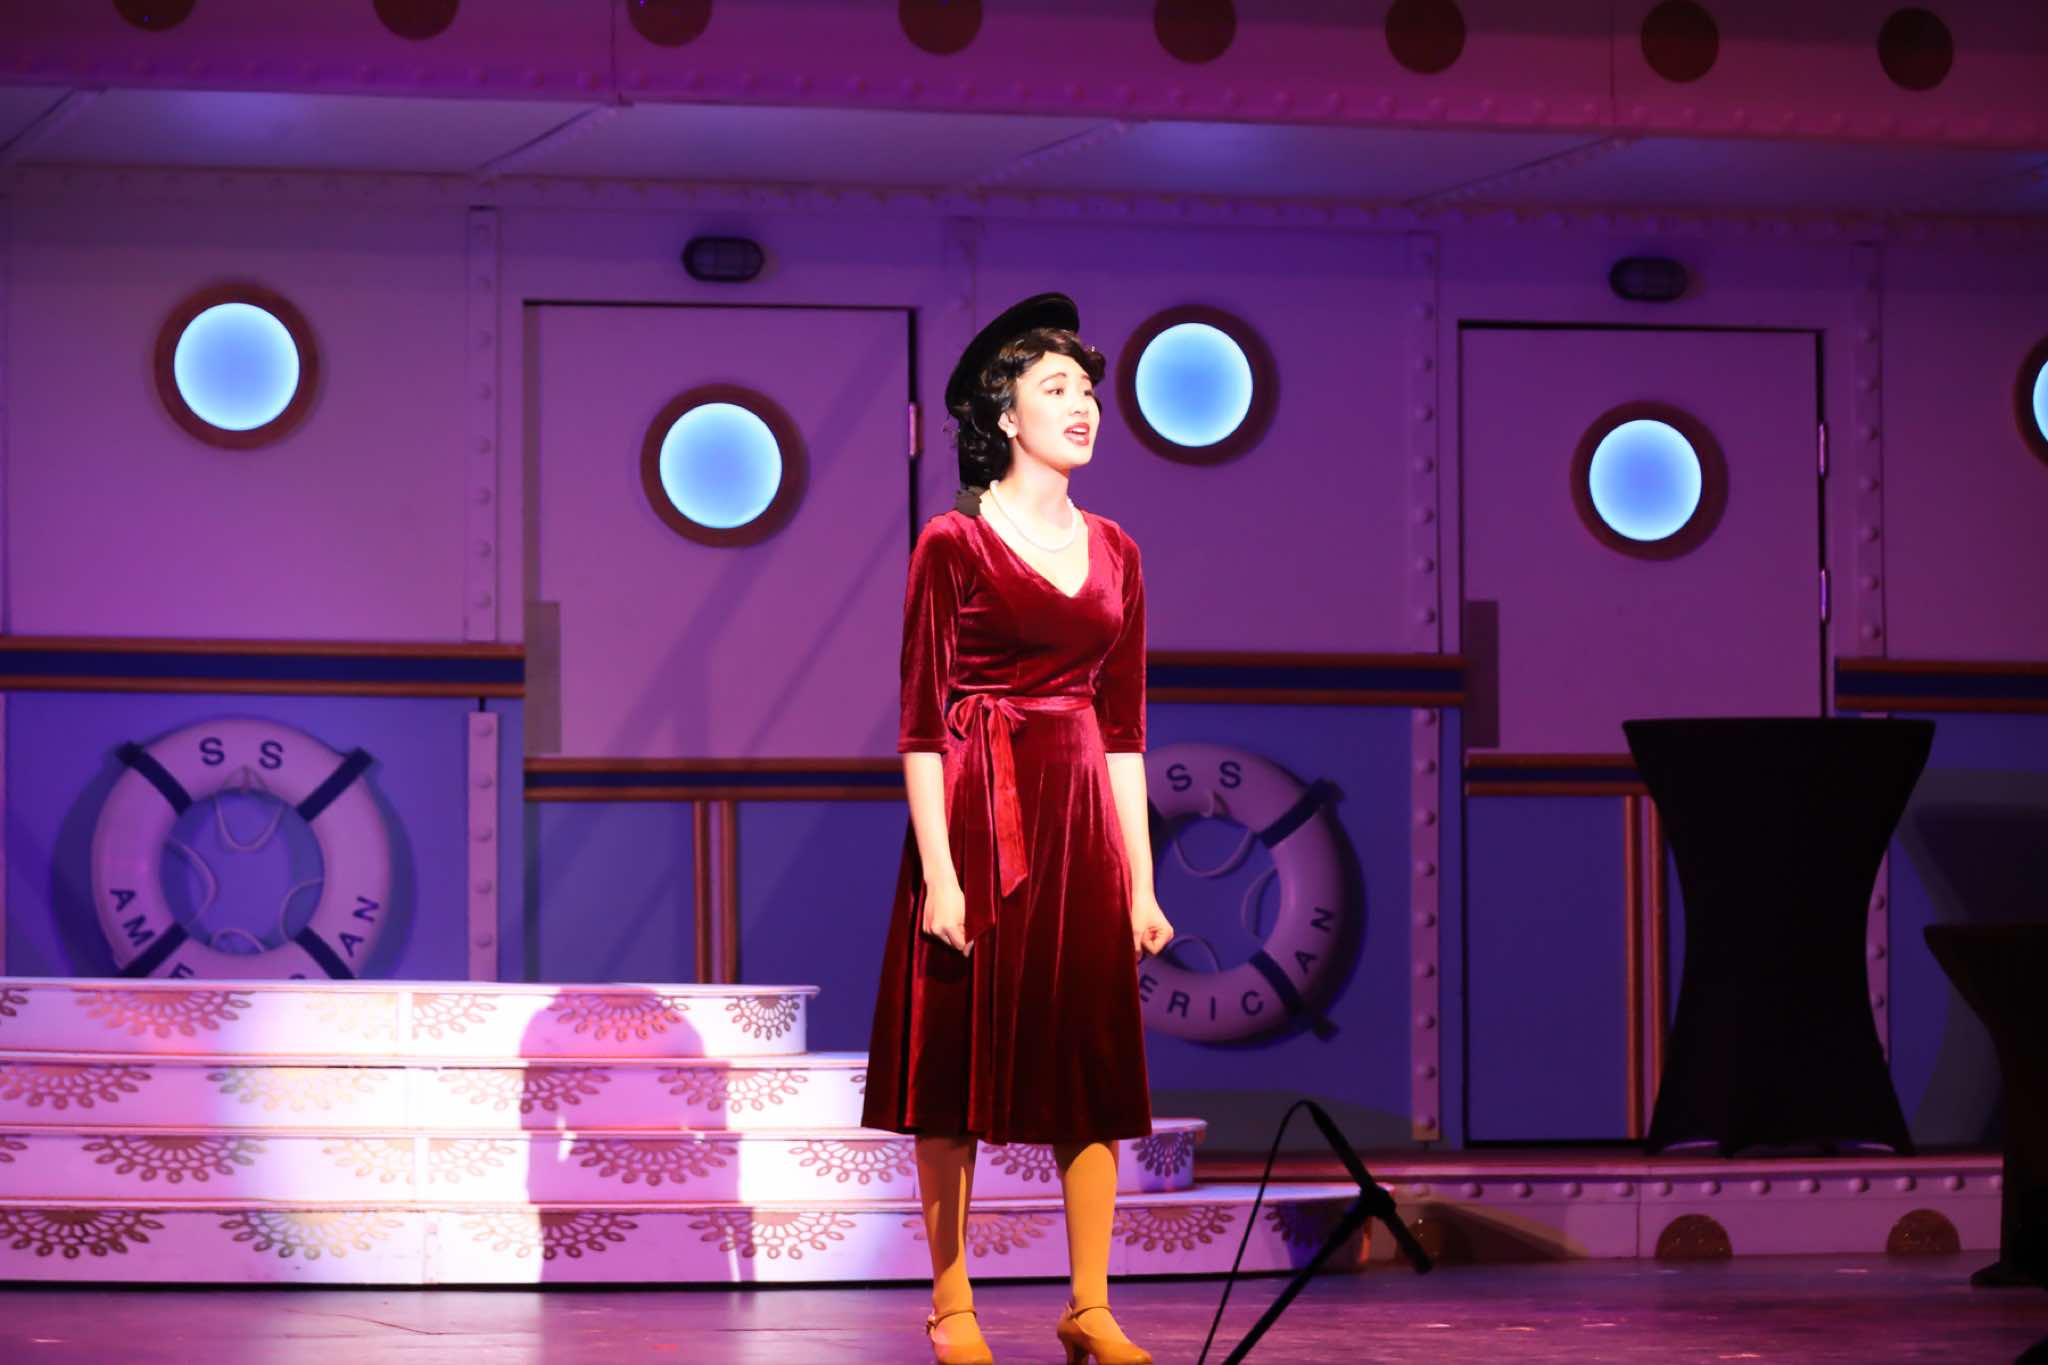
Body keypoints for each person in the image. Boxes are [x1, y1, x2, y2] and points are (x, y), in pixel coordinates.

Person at [862, 293, 1175, 1365]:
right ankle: (952, 1303)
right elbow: (918, 724)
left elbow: (1124, 731)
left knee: (1088, 1060)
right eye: (1056, 389)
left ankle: (1087, 1304)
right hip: (974, 812)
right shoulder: (951, 543)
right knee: (950, 1065)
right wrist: (941, 875)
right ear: (1005, 414)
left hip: (1080, 818)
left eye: (1087, 391)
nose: (1082, 406)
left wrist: (1140, 881)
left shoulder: (1118, 550)